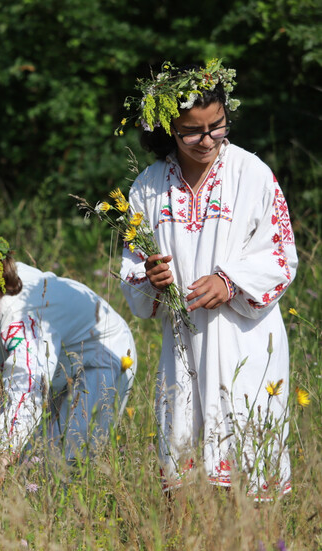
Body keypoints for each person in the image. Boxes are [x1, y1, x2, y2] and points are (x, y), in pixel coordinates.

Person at [118, 59, 297, 500]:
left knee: (247, 473)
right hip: (181, 346)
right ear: (167, 131)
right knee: (183, 479)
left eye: (216, 126)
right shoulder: (148, 185)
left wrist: (230, 282)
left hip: (244, 339)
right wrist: (150, 278)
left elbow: (281, 254)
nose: (207, 140)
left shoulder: (251, 173)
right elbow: (131, 266)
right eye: (191, 132)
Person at [0, 213, 137, 470]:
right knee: (4, 455)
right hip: (59, 360)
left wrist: (2, 460)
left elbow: (27, 390)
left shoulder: (21, 313)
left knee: (68, 460)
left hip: (103, 354)